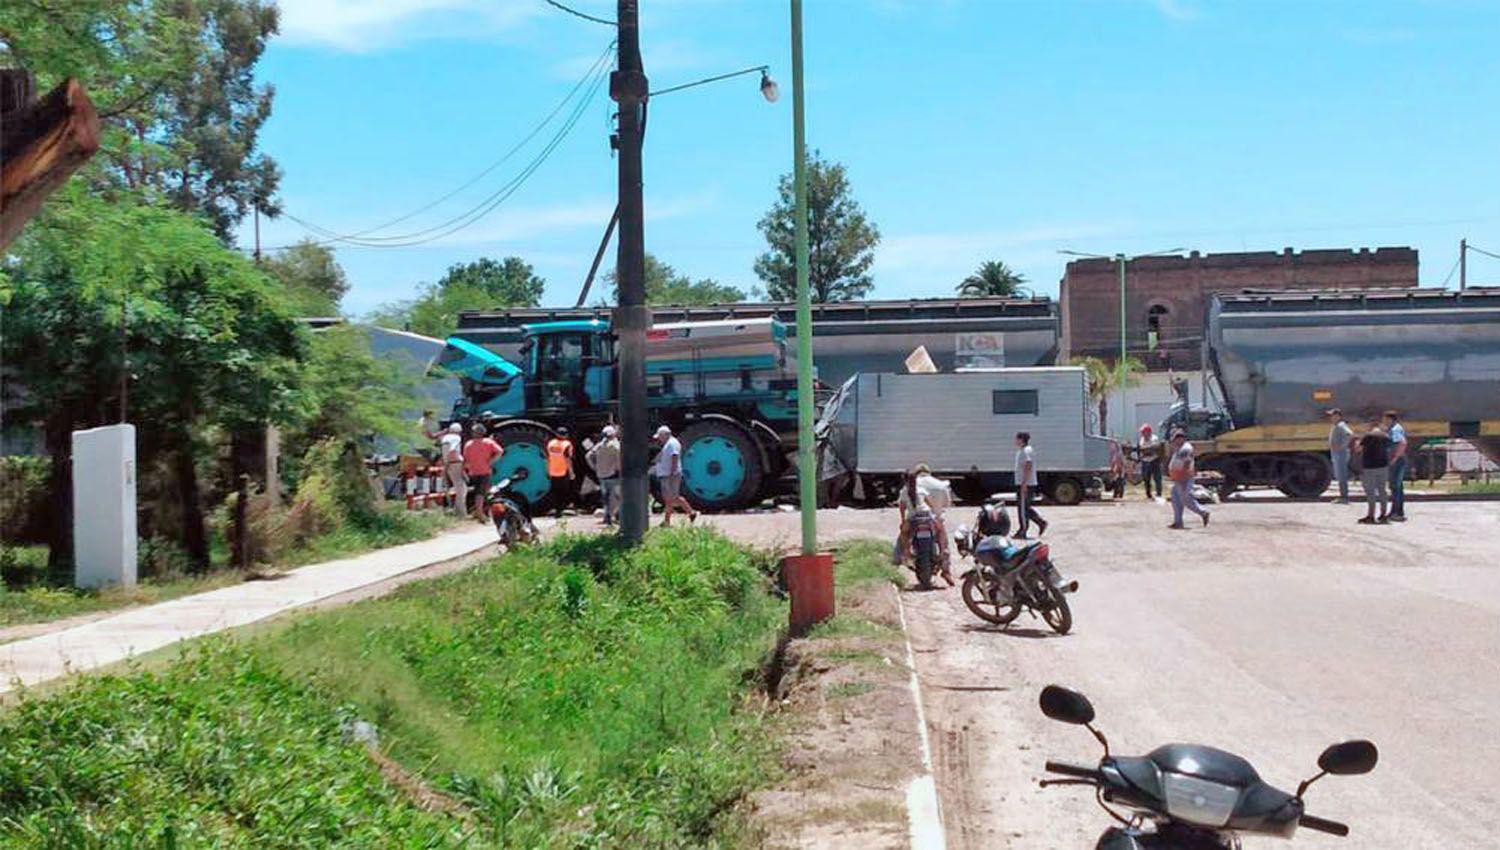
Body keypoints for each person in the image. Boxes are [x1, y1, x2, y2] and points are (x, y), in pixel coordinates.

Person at [899, 464, 955, 585]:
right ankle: (946, 570)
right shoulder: (940, 485)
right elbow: (944, 504)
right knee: (943, 539)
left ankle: (904, 556)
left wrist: (903, 520)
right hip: (929, 517)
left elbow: (902, 506)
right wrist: (935, 515)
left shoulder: (906, 489)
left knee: (903, 535)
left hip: (914, 519)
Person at [652, 425, 698, 526]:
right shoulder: (669, 443)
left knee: (670, 497)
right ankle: (689, 513)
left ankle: (669, 520)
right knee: (671, 497)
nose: (659, 439)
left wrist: (672, 471)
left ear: (665, 435)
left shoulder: (672, 443)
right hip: (668, 474)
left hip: (670, 474)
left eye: (660, 436)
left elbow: (674, 456)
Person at [1167, 429, 1210, 529]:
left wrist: (1182, 478)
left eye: (1175, 439)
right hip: (1178, 478)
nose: (1173, 442)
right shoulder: (1179, 448)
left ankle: (1203, 512)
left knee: (1186, 500)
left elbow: (1186, 464)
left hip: (1184, 478)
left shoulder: (1185, 449)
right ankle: (1178, 522)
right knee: (1176, 499)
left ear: (1180, 438)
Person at [461, 423, 503, 520]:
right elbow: (500, 451)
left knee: (477, 491)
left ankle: (479, 511)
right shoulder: (488, 442)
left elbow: (465, 459)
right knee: (481, 492)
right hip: (485, 470)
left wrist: (465, 470)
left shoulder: (468, 444)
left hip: (473, 471)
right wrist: (491, 461)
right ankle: (480, 513)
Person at [1013, 432, 1048, 539]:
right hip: (1025, 483)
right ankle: (1040, 522)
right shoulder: (1024, 450)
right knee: (1025, 507)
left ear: (1021, 440)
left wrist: (1024, 483)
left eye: (1017, 439)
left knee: (1023, 509)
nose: (1015, 441)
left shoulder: (1025, 451)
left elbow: (1028, 465)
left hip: (1026, 484)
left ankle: (1023, 530)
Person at [587, 425, 622, 527]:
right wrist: (619, 469)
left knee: (606, 498)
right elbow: (619, 460)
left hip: (601, 475)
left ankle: (607, 517)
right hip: (613, 475)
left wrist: (595, 467)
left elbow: (588, 456)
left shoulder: (600, 445)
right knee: (617, 497)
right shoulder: (615, 445)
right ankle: (615, 517)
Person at [1358, 420, 1390, 524]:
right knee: (1382, 491)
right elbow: (1389, 448)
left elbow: (1358, 449)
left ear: (1370, 425)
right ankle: (1383, 515)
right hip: (1383, 466)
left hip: (1369, 467)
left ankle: (1371, 515)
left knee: (1371, 492)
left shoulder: (1367, 436)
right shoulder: (1385, 436)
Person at [1326, 409, 1354, 504]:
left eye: (1333, 415)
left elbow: (1349, 434)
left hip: (1341, 454)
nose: (1331, 417)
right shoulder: (1336, 426)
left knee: (1342, 476)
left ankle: (1344, 497)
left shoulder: (1341, 425)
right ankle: (1343, 496)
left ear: (1338, 416)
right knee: (1340, 475)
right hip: (1338, 454)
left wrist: (1342, 446)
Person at [546, 427, 575, 518]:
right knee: (562, 492)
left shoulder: (551, 443)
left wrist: (547, 469)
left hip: (552, 471)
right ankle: (559, 511)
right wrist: (571, 472)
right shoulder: (567, 444)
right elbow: (568, 459)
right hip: (563, 471)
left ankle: (555, 509)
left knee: (554, 491)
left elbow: (548, 457)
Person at [1384, 410, 1408, 522]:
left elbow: (1402, 443)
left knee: (1395, 487)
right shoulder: (1393, 429)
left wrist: (1394, 458)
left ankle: (1397, 512)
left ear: (1391, 419)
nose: (1384, 421)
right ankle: (1396, 511)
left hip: (1397, 461)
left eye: (1385, 419)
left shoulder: (1395, 429)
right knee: (1396, 487)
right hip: (1397, 460)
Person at [439, 422, 467, 517]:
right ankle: (460, 513)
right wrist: (458, 459)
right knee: (462, 489)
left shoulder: (445, 438)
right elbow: (453, 450)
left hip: (448, 464)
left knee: (458, 487)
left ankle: (457, 510)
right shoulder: (456, 438)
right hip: (455, 463)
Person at [1137, 424, 1165, 501]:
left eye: (1144, 432)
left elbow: (1154, 448)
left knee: (1157, 478)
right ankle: (1148, 494)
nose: (1143, 434)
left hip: (1154, 460)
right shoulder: (1141, 440)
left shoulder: (1154, 438)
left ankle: (1159, 493)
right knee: (1146, 478)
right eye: (1142, 432)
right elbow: (1140, 449)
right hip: (1145, 461)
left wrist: (1146, 450)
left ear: (1149, 432)